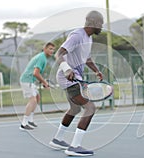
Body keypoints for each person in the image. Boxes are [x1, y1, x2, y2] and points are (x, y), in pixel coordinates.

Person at [49, 10, 104, 156]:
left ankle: (57, 139)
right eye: (101, 24)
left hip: (75, 77)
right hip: (68, 78)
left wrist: (96, 71)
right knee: (90, 108)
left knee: (74, 109)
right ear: (95, 23)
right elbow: (59, 54)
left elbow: (87, 59)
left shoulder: (88, 38)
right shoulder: (77, 35)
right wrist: (67, 70)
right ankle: (74, 146)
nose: (102, 27)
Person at [19, 42, 55, 130]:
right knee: (33, 100)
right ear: (45, 48)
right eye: (50, 49)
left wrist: (42, 82)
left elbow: (36, 73)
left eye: (53, 50)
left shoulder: (43, 57)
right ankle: (24, 124)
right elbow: (35, 73)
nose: (52, 51)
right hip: (27, 80)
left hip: (31, 80)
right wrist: (44, 82)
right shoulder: (42, 58)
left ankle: (30, 120)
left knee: (37, 97)